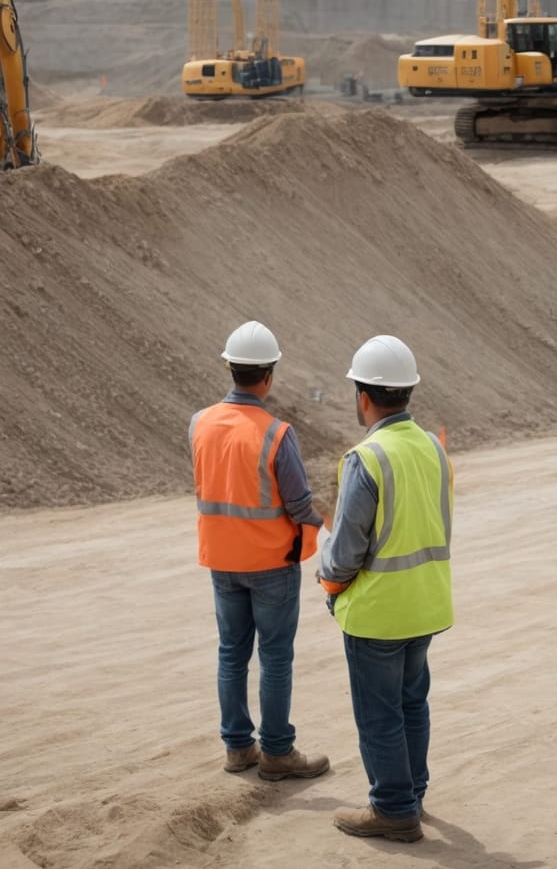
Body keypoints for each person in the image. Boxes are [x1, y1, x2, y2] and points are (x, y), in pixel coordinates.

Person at [319, 335, 454, 844]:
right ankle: (412, 792)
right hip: (426, 603)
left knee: (380, 713)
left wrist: (329, 583)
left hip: (378, 612)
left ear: (364, 395)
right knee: (412, 702)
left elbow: (346, 550)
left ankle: (393, 808)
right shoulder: (433, 449)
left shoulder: (367, 458)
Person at [190, 321, 331, 782]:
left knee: (231, 652)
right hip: (271, 564)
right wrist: (324, 527)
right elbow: (297, 503)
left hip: (222, 562)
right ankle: (277, 753)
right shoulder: (276, 433)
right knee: (274, 657)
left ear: (230, 368)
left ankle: (237, 748)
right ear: (268, 375)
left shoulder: (200, 424)